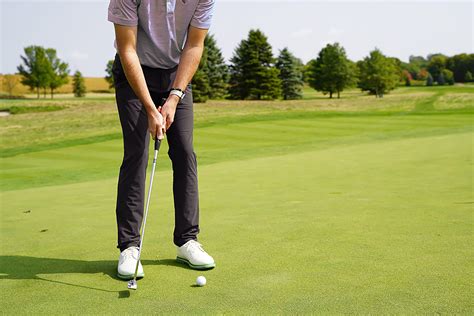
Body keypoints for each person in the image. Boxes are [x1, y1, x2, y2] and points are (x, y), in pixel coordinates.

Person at [107, 0, 216, 280]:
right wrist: (148, 106)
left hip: (175, 74)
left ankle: (187, 240)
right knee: (137, 153)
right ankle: (130, 247)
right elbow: (126, 48)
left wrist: (174, 96)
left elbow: (194, 45)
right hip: (134, 71)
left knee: (184, 152)